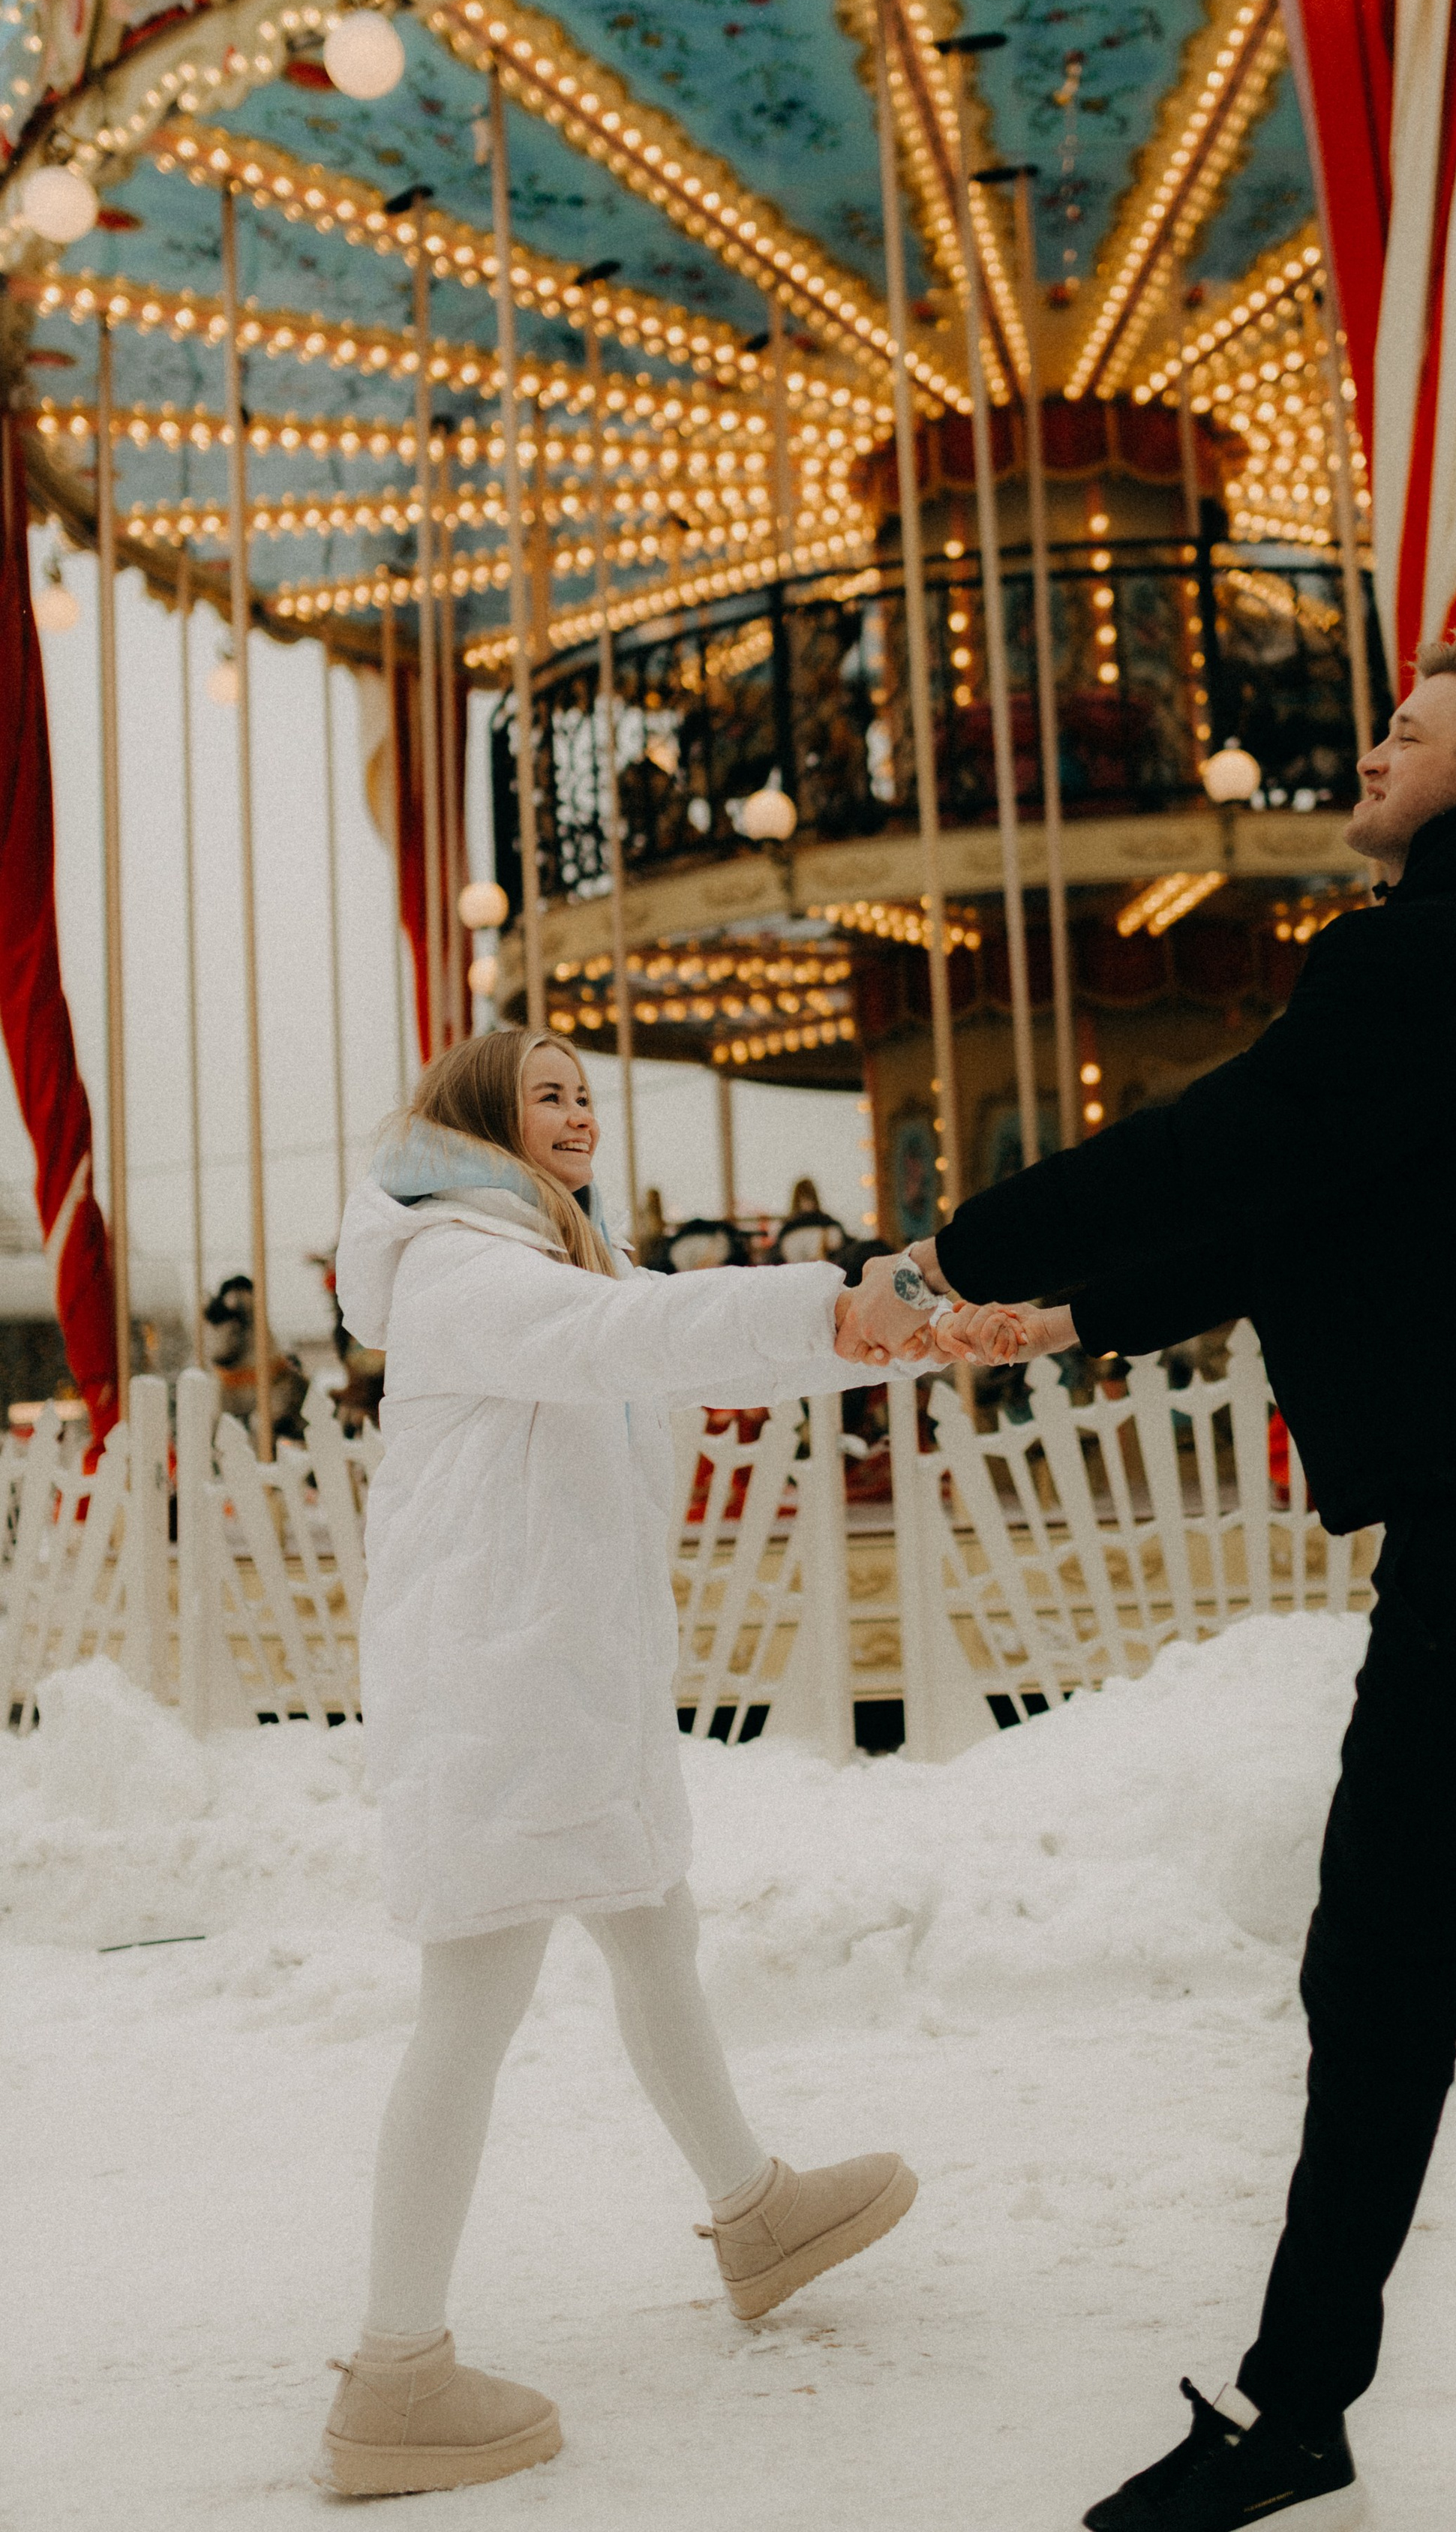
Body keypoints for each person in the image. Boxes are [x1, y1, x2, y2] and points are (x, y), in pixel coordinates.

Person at [841, 636, 1456, 2528]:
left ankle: (1293, 2415)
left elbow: (1223, 1145)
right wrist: (1070, 1315)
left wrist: (946, 1253)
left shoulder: (1428, 957)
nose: (1371, 751)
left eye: (1408, 734)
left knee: (1380, 1964)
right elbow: (1315, 1204)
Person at [317, 1029, 914, 2500]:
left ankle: (753, 2209)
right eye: (549, 1095)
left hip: (569, 1691)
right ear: (484, 1120)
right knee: (472, 2005)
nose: (579, 1113)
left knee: (655, 1930)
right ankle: (396, 2370)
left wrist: (872, 1330)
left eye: (586, 1094)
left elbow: (683, 1338)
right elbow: (627, 1341)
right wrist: (840, 1299)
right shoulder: (463, 1268)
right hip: (500, 1703)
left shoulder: (565, 1256)